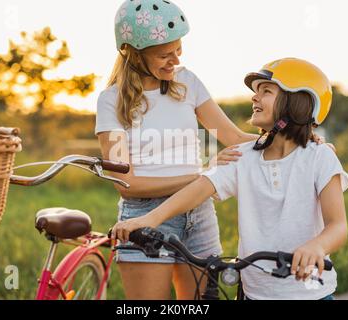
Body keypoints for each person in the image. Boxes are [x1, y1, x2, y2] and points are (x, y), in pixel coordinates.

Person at [111, 58, 348, 300]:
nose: (254, 98)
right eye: (256, 92)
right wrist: (149, 219)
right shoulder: (244, 156)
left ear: (298, 103)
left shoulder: (319, 157)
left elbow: (338, 226)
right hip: (254, 294)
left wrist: (317, 246)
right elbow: (198, 189)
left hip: (312, 293)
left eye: (266, 91)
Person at [95, 0, 257, 300]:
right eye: (164, 55)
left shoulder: (187, 83)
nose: (175, 60)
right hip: (144, 214)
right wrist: (201, 178)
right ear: (132, 53)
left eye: (178, 50)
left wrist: (293, 138)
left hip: (199, 213)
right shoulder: (112, 102)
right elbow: (126, 184)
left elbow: (233, 136)